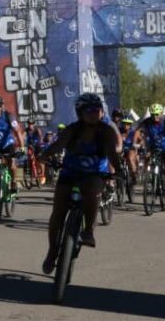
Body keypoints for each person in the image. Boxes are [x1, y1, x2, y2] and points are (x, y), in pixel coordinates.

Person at [41, 93, 120, 273]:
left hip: (94, 173)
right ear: (80, 112)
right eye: (89, 110)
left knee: (92, 191)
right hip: (70, 172)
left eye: (97, 110)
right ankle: (52, 251)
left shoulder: (106, 131)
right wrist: (44, 157)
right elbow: (57, 146)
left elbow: (112, 154)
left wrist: (119, 170)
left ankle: (89, 231)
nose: (94, 114)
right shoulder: (72, 130)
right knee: (58, 212)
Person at [136, 103, 165, 206]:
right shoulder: (147, 121)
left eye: (157, 114)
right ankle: (146, 177)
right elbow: (138, 130)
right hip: (153, 147)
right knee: (147, 156)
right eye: (153, 114)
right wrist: (136, 142)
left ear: (161, 113)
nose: (155, 116)